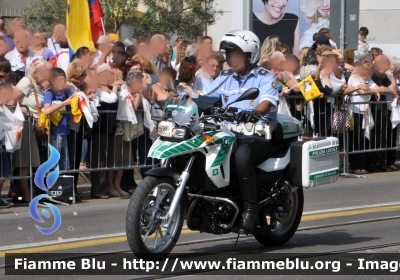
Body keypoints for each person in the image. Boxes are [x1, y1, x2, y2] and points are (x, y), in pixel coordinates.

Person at [202, 30, 279, 234]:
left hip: (256, 134)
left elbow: (267, 101)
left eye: (236, 53)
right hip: (229, 132)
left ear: (249, 54)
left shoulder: (264, 76)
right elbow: (206, 96)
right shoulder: (226, 78)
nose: (231, 58)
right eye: (228, 54)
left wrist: (254, 114)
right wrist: (183, 100)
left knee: (242, 157)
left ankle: (251, 208)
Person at [11, 59, 51, 203]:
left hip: (33, 125)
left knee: (30, 161)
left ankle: (23, 193)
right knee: (24, 161)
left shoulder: (37, 85)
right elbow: (11, 100)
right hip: (25, 124)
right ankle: (26, 195)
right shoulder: (26, 82)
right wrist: (27, 112)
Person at [343, 60, 394, 174]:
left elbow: (378, 88)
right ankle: (355, 165)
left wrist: (373, 90)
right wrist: (371, 90)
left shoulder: (367, 79)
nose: (371, 74)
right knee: (356, 139)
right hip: (354, 112)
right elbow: (362, 91)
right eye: (370, 71)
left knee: (364, 140)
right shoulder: (355, 77)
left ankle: (363, 164)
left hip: (364, 112)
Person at [366, 55, 399, 173]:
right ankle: (374, 162)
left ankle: (380, 162)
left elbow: (391, 88)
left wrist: (393, 76)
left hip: (381, 110)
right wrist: (394, 94)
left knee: (381, 137)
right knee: (375, 137)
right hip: (374, 109)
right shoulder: (373, 74)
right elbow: (383, 89)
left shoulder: (383, 75)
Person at [42, 68, 73, 170]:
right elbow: (47, 110)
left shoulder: (67, 92)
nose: (62, 82)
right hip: (55, 132)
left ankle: (64, 182)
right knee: (54, 158)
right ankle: (52, 182)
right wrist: (64, 103)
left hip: (65, 130)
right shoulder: (50, 93)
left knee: (65, 158)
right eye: (59, 80)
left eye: (63, 79)